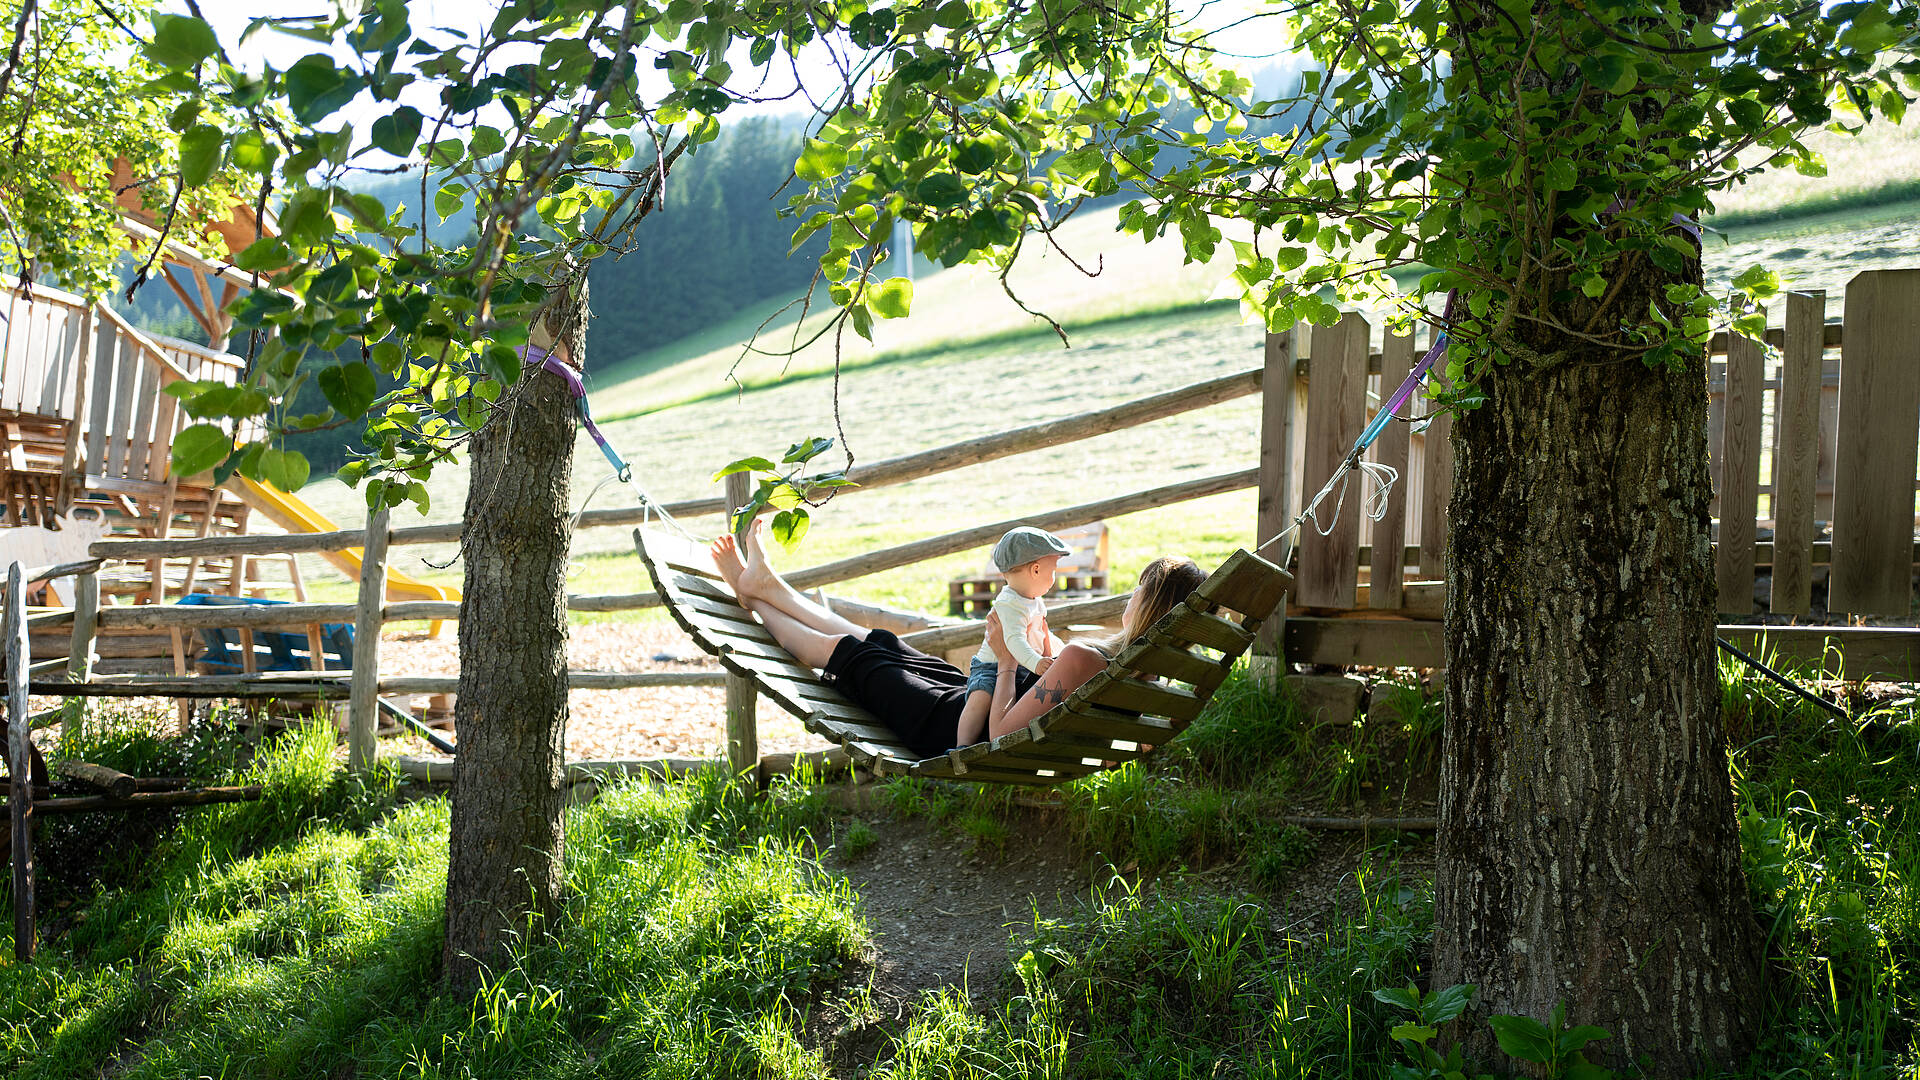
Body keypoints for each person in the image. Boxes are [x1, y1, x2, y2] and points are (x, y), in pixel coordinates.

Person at [710, 520, 1206, 758]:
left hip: (949, 729)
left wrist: (1010, 661)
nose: (1130, 594)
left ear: (1154, 606)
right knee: (884, 642)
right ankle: (769, 589)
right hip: (962, 699)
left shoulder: (1086, 659)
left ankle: (755, 600)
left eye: (1141, 587)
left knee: (856, 656)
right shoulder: (1143, 679)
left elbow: (1006, 731)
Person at [954, 526, 1075, 747]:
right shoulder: (1009, 602)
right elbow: (1013, 641)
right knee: (979, 700)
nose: (1054, 576)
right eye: (1053, 569)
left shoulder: (1033, 600)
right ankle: (962, 746)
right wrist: (1036, 663)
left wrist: (1059, 651)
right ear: (1036, 570)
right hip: (990, 666)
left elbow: (1039, 633)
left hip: (1019, 665)